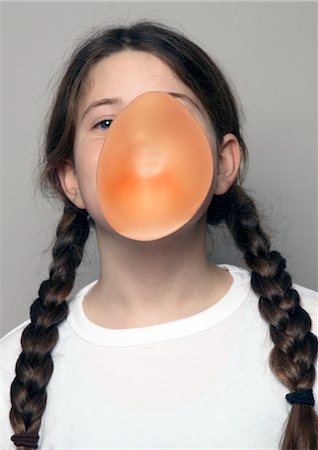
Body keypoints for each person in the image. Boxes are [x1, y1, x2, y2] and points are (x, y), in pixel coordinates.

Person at [0, 20, 317, 450]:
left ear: (224, 162)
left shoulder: (310, 332)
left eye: (173, 113)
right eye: (107, 122)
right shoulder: (10, 371)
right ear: (70, 179)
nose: (141, 139)